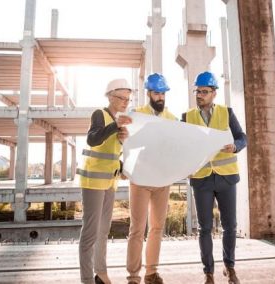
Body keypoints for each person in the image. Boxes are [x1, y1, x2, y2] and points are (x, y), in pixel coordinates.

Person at [181, 71, 247, 284]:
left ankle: (230, 267)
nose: (199, 95)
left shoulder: (227, 113)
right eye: (197, 91)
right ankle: (208, 272)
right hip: (202, 179)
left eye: (204, 91)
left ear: (214, 93)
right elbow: (180, 145)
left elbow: (242, 137)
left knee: (230, 226)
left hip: (226, 177)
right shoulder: (187, 117)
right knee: (205, 228)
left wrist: (235, 146)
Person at [77, 78, 133, 284]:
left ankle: (100, 273)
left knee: (103, 230)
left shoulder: (117, 119)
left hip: (110, 182)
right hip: (93, 182)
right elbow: (92, 139)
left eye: (128, 98)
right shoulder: (99, 114)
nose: (126, 102)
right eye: (121, 97)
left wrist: (121, 140)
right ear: (110, 96)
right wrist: (115, 127)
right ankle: (86, 280)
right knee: (90, 232)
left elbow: (110, 154)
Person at [126, 73, 177, 284]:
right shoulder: (136, 114)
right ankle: (133, 276)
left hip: (162, 180)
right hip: (140, 179)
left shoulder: (172, 119)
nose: (161, 97)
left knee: (157, 228)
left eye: (163, 93)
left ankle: (151, 273)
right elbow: (127, 141)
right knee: (137, 229)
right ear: (148, 93)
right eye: (157, 93)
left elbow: (177, 146)